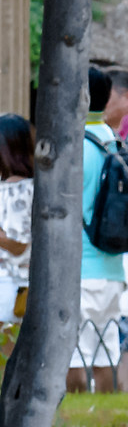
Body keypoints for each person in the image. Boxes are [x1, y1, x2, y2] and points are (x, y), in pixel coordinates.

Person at [70, 67, 127, 395]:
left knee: (75, 354)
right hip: (112, 267)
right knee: (106, 351)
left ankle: (77, 423)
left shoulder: (76, 143)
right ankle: (108, 418)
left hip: (81, 265)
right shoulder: (112, 140)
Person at [0, 113, 33, 327]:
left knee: (7, 355)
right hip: (11, 285)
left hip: (11, 285)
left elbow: (19, 245)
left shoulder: (18, 190)